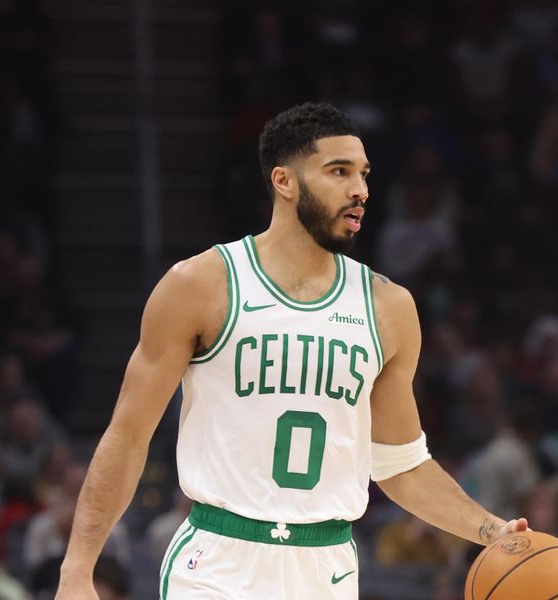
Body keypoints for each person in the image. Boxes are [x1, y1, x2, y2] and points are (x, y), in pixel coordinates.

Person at [55, 102, 530, 600]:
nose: (360, 190)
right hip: (219, 559)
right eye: (339, 171)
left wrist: (491, 530)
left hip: (327, 566)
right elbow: (128, 437)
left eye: (364, 175)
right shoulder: (200, 285)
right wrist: (77, 569)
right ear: (284, 181)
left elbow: (400, 465)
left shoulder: (389, 307)